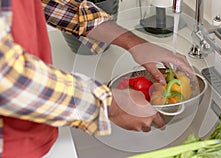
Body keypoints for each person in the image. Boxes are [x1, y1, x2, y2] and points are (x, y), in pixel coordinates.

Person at [0, 0, 194, 157]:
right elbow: (7, 78)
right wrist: (111, 105)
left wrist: (135, 43)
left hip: (32, 132)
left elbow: (50, 5)